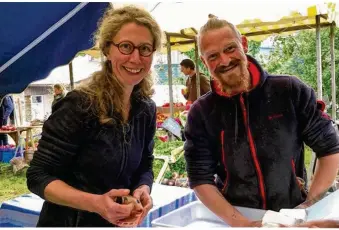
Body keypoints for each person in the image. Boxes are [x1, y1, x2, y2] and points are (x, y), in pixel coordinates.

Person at [184, 16, 339, 227]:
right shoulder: (201, 113)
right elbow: (200, 178)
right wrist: (242, 224)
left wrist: (308, 207)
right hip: (236, 217)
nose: (224, 60)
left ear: (244, 44)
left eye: (230, 48)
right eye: (213, 56)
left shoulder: (289, 91)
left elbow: (330, 149)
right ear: (204, 61)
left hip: (290, 215)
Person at [26, 5, 162, 227]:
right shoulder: (79, 105)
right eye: (126, 46)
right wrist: (96, 203)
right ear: (108, 50)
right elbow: (38, 176)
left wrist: (142, 190)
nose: (136, 58)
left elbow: (145, 165)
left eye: (145, 48)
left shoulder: (146, 109)